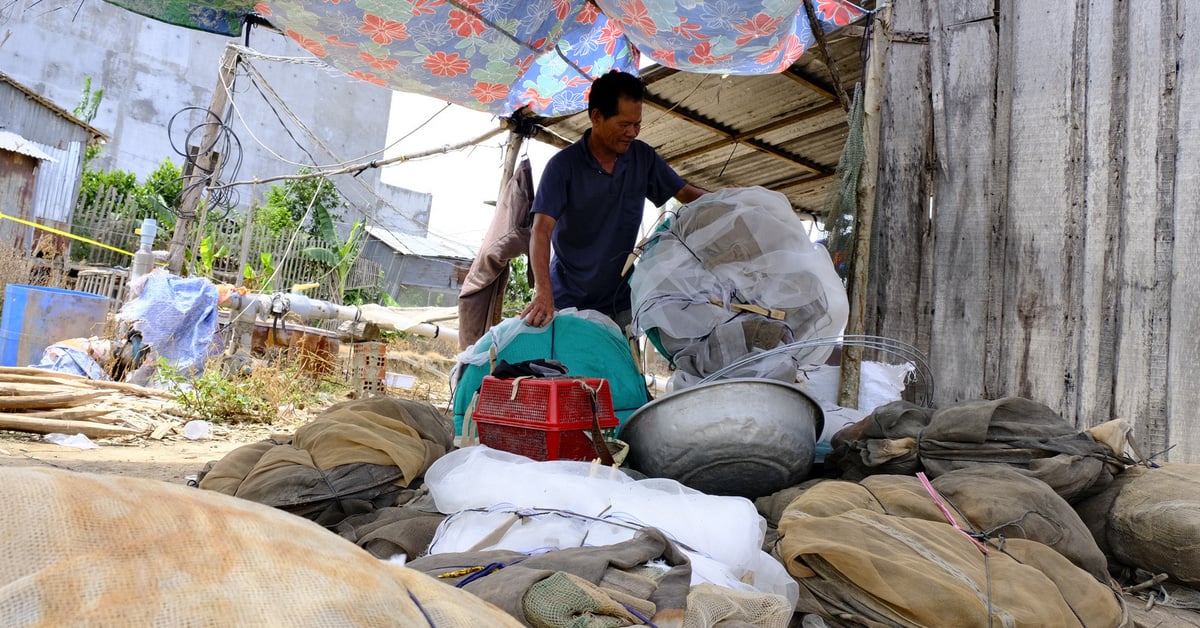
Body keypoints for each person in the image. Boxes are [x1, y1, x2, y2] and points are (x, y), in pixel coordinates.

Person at [521, 70, 708, 331]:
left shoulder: (642, 158)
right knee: (571, 371)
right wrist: (543, 292)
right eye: (624, 124)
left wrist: (732, 199)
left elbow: (687, 194)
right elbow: (541, 230)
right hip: (567, 304)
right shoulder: (563, 167)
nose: (632, 132)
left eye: (637, 124)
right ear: (596, 117)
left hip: (620, 304)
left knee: (617, 371)